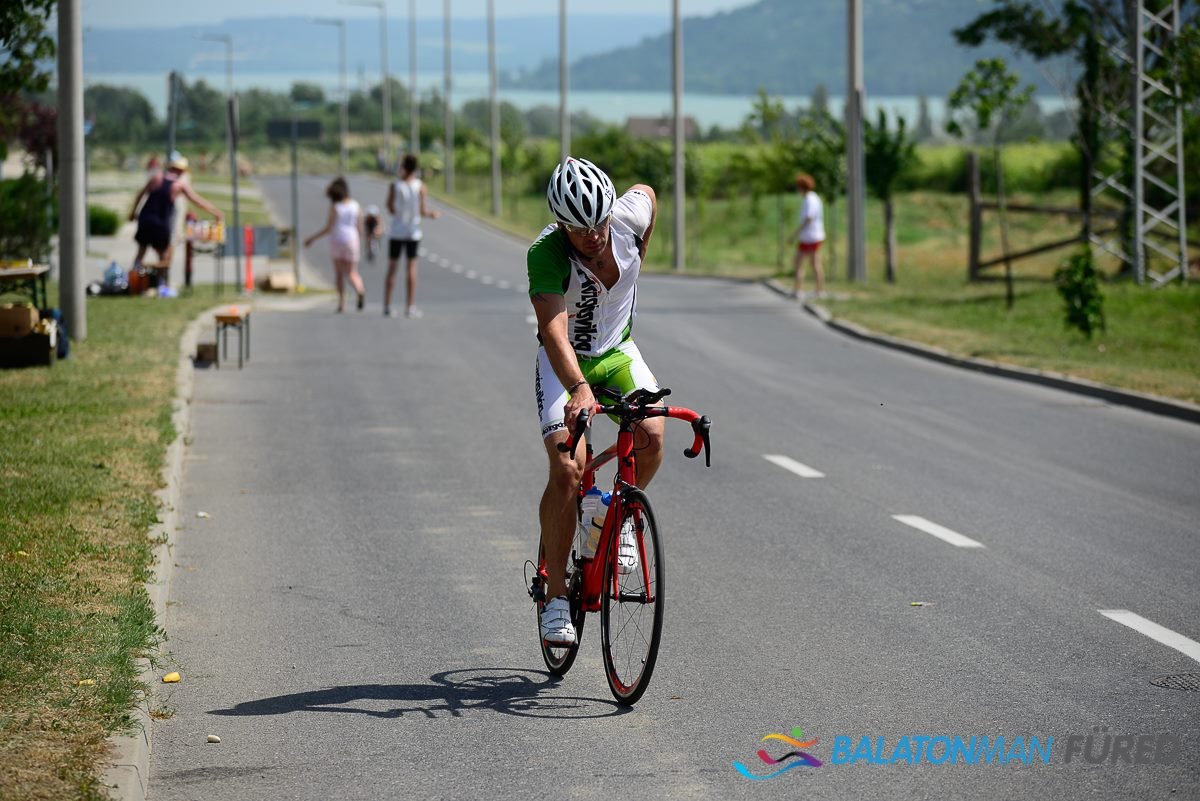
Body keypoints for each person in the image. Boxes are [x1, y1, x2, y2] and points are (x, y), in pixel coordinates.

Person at [528, 157, 664, 646]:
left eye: (599, 222)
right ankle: (557, 595)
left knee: (652, 434)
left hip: (618, 351)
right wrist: (579, 388)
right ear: (561, 224)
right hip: (567, 361)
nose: (594, 235)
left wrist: (641, 253)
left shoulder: (628, 217)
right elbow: (552, 330)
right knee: (568, 467)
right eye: (579, 228)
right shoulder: (546, 254)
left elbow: (647, 189)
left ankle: (618, 518)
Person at [128, 154, 223, 279]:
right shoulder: (179, 185)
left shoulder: (156, 178)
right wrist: (216, 212)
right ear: (182, 171)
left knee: (141, 250)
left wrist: (133, 212)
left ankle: (134, 279)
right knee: (164, 256)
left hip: (145, 219)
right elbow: (197, 201)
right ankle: (160, 282)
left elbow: (140, 195)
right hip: (161, 223)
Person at [384, 154, 441, 318]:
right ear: (415, 168)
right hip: (413, 232)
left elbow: (389, 207)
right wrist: (433, 215)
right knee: (411, 269)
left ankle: (387, 305)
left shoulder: (394, 185)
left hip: (396, 231)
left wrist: (399, 214)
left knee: (392, 268)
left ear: (403, 166)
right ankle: (410, 306)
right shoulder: (420, 186)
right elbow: (422, 211)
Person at [304, 177, 366, 313]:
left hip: (337, 240)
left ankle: (341, 303)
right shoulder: (355, 205)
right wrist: (360, 240)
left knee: (339, 273)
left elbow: (328, 228)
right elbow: (359, 226)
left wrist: (312, 238)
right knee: (352, 273)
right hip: (352, 239)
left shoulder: (336, 207)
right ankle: (360, 290)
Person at [788, 172, 825, 299]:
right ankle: (800, 289)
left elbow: (808, 218)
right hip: (809, 236)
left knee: (812, 264)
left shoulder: (810, 200)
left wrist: (795, 233)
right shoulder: (811, 198)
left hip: (811, 236)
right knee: (801, 262)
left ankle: (817, 290)